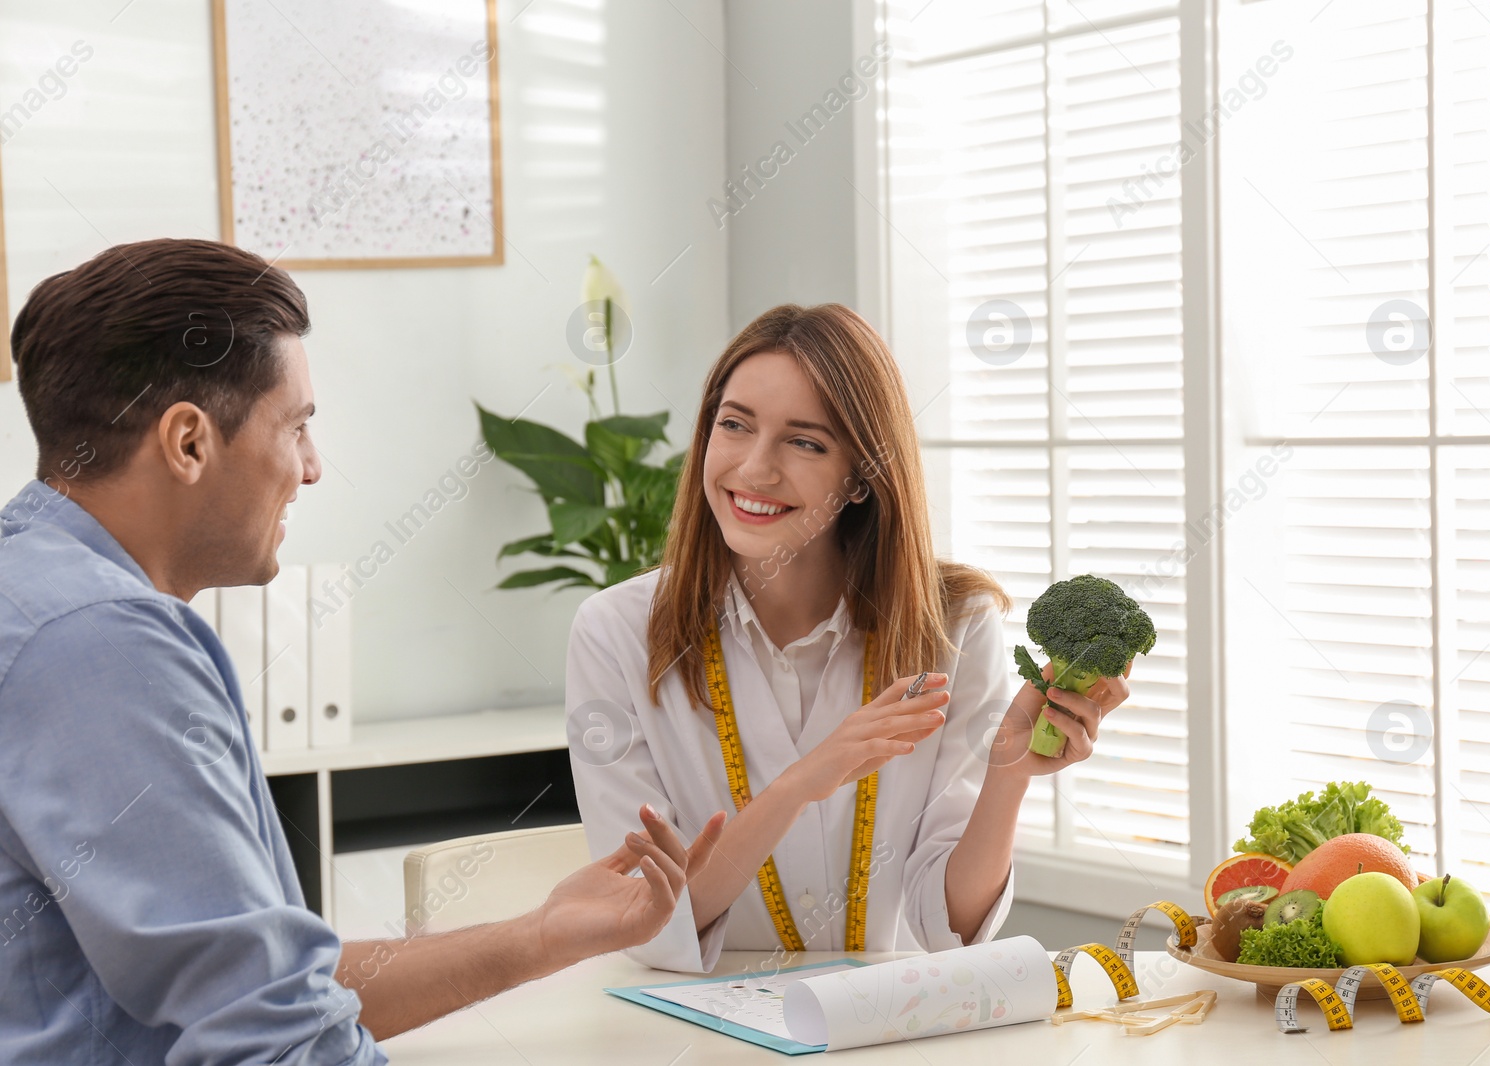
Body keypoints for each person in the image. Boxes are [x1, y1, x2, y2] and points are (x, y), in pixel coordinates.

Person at [0, 238, 725, 1065]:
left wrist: (541, 935)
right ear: (188, 443)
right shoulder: (100, 643)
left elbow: (271, 983)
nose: (310, 469)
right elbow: (273, 1034)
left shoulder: (38, 589)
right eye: (297, 427)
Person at [565, 303, 1131, 972]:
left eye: (804, 442)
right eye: (734, 425)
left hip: (878, 1029)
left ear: (862, 475)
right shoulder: (616, 633)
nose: (753, 469)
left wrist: (1007, 776)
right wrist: (800, 784)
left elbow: (945, 924)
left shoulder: (953, 627)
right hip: (688, 1029)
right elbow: (643, 918)